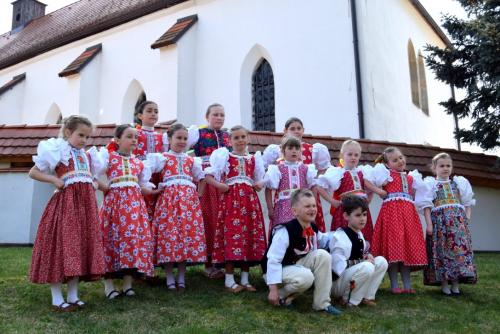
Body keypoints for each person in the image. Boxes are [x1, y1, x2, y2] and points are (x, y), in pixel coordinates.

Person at [28, 115, 105, 311]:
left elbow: (90, 178)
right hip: (66, 205)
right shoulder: (58, 151)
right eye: (81, 135)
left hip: (85, 208)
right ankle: (56, 298)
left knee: (79, 246)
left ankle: (72, 295)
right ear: (68, 132)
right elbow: (33, 172)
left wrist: (93, 183)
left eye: (87, 137)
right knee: (62, 246)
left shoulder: (88, 156)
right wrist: (54, 180)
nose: (84, 140)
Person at [205, 126, 267, 292]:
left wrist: (260, 183)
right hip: (232, 201)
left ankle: (245, 279)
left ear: (248, 139)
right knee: (232, 236)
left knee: (248, 236)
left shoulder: (254, 159)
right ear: (230, 141)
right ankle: (229, 279)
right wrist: (221, 186)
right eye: (236, 138)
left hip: (249, 201)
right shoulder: (225, 157)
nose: (240, 140)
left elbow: (260, 181)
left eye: (242, 137)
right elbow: (208, 176)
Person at [97, 124, 156, 299]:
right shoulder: (109, 157)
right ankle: (109, 285)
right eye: (129, 136)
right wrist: (105, 187)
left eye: (136, 137)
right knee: (111, 240)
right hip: (115, 206)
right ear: (117, 140)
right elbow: (92, 174)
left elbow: (142, 185)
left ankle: (128, 284)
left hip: (134, 207)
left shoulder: (139, 162)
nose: (134, 140)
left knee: (131, 241)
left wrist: (150, 189)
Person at [147, 123, 207, 292]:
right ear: (169, 138)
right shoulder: (162, 157)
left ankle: (181, 276)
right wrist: (154, 188)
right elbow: (145, 173)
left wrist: (199, 195)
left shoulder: (191, 160)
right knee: (170, 236)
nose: (182, 141)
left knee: (184, 237)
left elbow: (201, 178)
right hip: (169, 203)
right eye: (178, 138)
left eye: (185, 138)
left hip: (188, 203)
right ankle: (169, 276)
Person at [262, 189, 341, 315]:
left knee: (323, 255)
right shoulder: (285, 231)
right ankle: (281, 296)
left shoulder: (312, 228)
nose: (312, 209)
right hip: (277, 269)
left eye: (314, 205)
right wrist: (273, 289)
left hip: (296, 266)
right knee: (306, 277)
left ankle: (322, 303)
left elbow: (326, 240)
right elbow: (273, 260)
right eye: (307, 206)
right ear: (295, 211)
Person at [366, 147, 428, 294]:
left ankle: (407, 286)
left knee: (405, 249)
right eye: (395, 160)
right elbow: (366, 180)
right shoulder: (386, 175)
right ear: (387, 164)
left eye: (400, 157)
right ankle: (394, 285)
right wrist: (379, 191)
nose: (400, 161)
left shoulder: (412, 177)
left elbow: (419, 194)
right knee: (394, 250)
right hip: (391, 215)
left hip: (408, 216)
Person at [418, 153, 477, 296]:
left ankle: (456, 283)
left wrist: (467, 216)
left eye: (448, 166)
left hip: (458, 225)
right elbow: (426, 206)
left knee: (458, 252)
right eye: (442, 166)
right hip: (440, 225)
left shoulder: (459, 183)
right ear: (434, 168)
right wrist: (429, 224)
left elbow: (468, 201)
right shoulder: (430, 184)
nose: (445, 168)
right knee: (442, 253)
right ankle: (444, 283)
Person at [262, 117, 331, 231]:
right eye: (292, 128)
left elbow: (322, 171)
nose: (296, 131)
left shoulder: (312, 150)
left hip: (304, 198)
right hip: (284, 203)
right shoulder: (277, 152)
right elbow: (268, 181)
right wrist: (270, 208)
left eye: (299, 128)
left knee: (305, 231)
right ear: (285, 131)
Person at [187, 103, 231, 279]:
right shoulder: (198, 133)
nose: (219, 117)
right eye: (215, 114)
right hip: (206, 180)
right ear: (207, 117)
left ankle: (223, 260)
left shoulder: (227, 136)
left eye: (222, 115)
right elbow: (186, 152)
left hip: (224, 180)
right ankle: (208, 263)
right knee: (209, 220)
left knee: (224, 219)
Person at [330, 196, 388, 307]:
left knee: (381, 261)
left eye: (364, 215)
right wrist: (362, 261)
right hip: (337, 284)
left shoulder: (358, 233)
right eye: (358, 215)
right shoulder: (341, 237)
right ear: (346, 216)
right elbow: (337, 268)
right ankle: (349, 300)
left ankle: (366, 296)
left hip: (348, 277)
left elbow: (358, 253)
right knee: (367, 266)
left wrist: (366, 255)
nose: (362, 219)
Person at [316, 139, 374, 241]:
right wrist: (332, 201)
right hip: (346, 209)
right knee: (345, 237)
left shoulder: (363, 171)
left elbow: (370, 188)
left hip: (362, 209)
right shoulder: (338, 172)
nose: (353, 157)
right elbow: (319, 186)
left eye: (356, 155)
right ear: (342, 156)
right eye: (350, 154)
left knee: (363, 235)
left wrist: (368, 199)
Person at [264, 136, 318, 229]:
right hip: (283, 208)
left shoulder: (306, 169)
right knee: (285, 232)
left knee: (302, 232)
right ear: (283, 151)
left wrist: (313, 205)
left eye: (297, 148)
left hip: (302, 205)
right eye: (290, 148)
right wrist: (270, 209)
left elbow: (313, 187)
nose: (294, 151)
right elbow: (268, 188)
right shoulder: (277, 169)